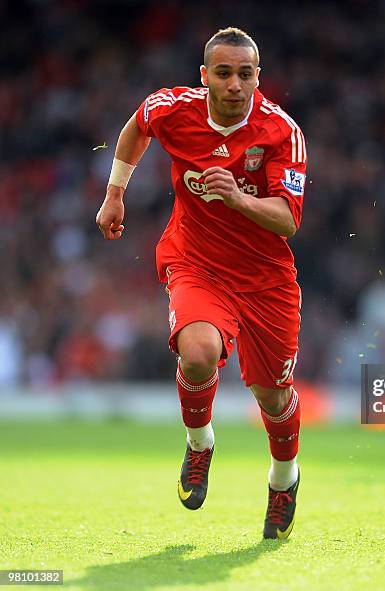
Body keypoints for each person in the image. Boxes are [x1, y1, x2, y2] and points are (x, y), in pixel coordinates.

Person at [96, 27, 306, 540]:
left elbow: (288, 220)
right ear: (205, 76)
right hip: (197, 262)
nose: (235, 84)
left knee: (272, 397)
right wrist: (115, 193)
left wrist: (238, 199)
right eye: (224, 72)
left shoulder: (281, 131)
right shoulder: (173, 108)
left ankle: (284, 481)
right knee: (196, 352)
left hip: (264, 280)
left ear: (258, 76)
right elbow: (135, 127)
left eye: (246, 74)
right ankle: (199, 444)